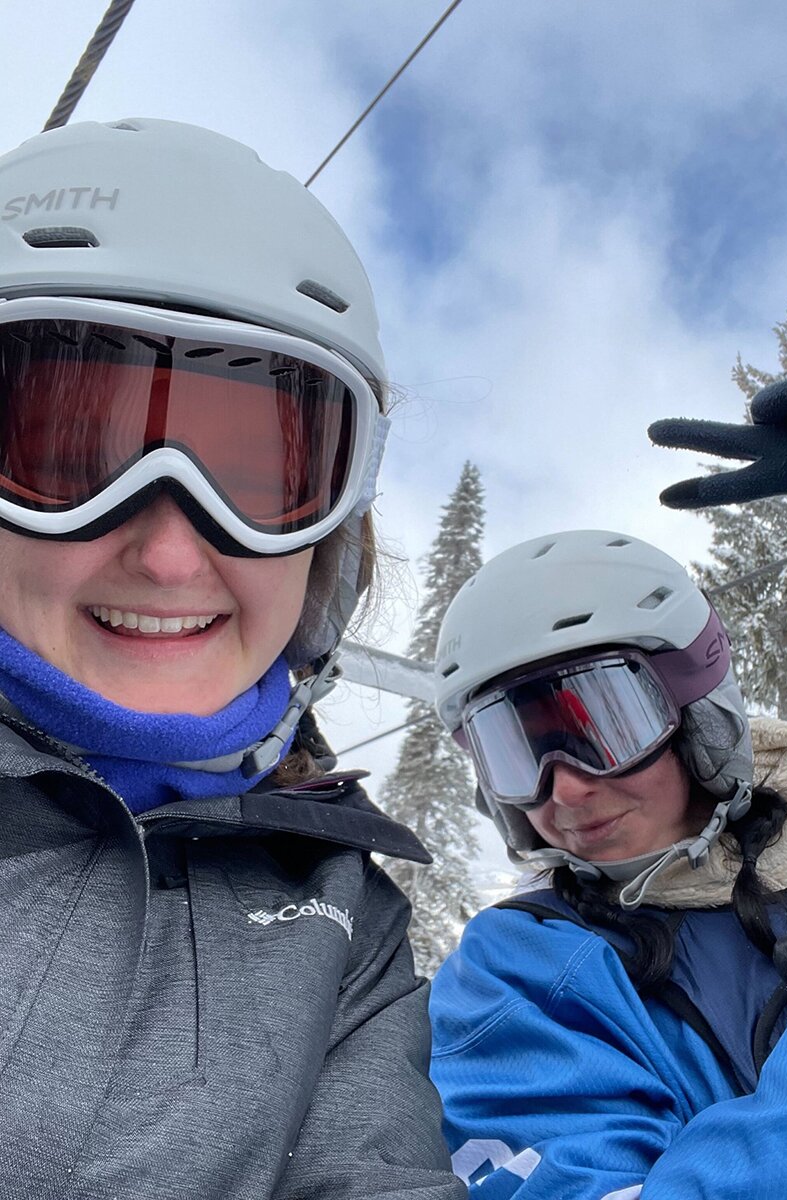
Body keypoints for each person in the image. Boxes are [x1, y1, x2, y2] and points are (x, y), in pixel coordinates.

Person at [0, 117, 465, 1199]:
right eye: (72, 454)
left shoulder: (340, 917)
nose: (169, 553)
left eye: (256, 478)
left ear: (330, 544)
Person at [428, 528, 787, 1198]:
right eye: (514, 753)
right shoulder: (520, 975)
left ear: (697, 716)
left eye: (603, 728)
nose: (564, 788)